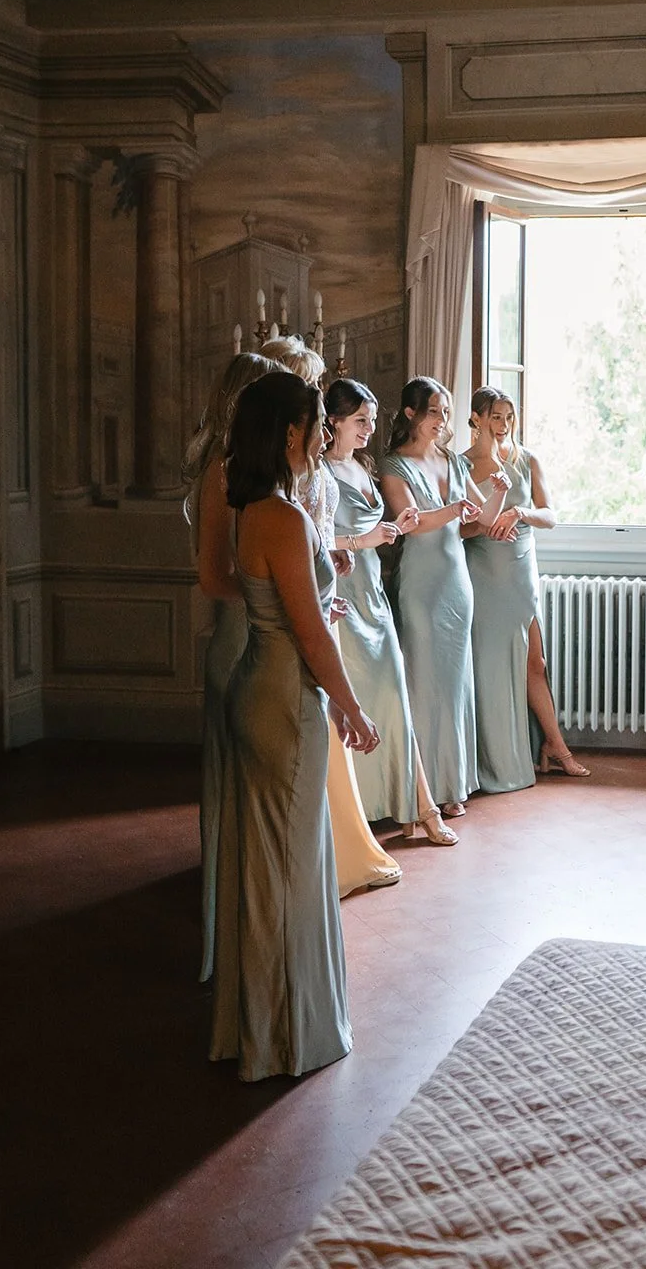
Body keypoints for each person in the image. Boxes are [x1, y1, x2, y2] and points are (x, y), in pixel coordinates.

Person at [210, 371, 381, 1080]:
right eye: (315, 423)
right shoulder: (286, 517)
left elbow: (277, 602)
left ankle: (259, 1027)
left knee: (268, 860)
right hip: (287, 700)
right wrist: (352, 705)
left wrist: (317, 603)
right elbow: (310, 642)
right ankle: (288, 1035)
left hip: (257, 684)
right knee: (291, 867)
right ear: (290, 433)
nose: (321, 436)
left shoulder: (254, 508)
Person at [263, 336, 402, 894]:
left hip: (331, 599)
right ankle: (316, 863)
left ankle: (333, 850)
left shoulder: (317, 471)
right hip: (296, 623)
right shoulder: (283, 484)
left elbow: (312, 547)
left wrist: (329, 570)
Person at [324, 378, 458, 846]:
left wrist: (392, 529)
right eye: (360, 421)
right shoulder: (318, 474)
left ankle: (413, 807)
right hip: (341, 596)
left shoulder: (362, 466)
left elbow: (372, 531)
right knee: (364, 704)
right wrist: (364, 541)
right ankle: (378, 814)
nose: (368, 430)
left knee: (395, 700)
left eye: (372, 421)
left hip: (373, 593)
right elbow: (314, 539)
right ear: (334, 421)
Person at [184, 349, 280, 983]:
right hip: (236, 642)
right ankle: (225, 944)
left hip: (260, 639)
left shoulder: (251, 471)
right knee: (230, 791)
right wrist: (274, 601)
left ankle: (258, 931)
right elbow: (212, 578)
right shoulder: (220, 472)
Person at [462, 386, 589, 790]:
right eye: (494, 417)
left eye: (508, 417)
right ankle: (494, 759)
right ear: (476, 419)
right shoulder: (460, 465)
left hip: (520, 571)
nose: (502, 426)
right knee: (491, 668)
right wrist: (485, 522)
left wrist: (519, 511)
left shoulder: (527, 459)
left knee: (536, 663)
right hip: (483, 571)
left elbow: (550, 515)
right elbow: (459, 528)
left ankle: (554, 746)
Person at [381, 377, 482, 818]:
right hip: (420, 583)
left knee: (455, 684)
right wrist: (455, 510)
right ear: (411, 414)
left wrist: (494, 495)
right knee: (423, 681)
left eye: (446, 411)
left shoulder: (454, 463)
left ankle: (454, 784)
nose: (443, 420)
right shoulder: (392, 465)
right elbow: (412, 522)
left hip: (456, 581)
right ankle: (421, 788)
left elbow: (475, 523)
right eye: (436, 411)